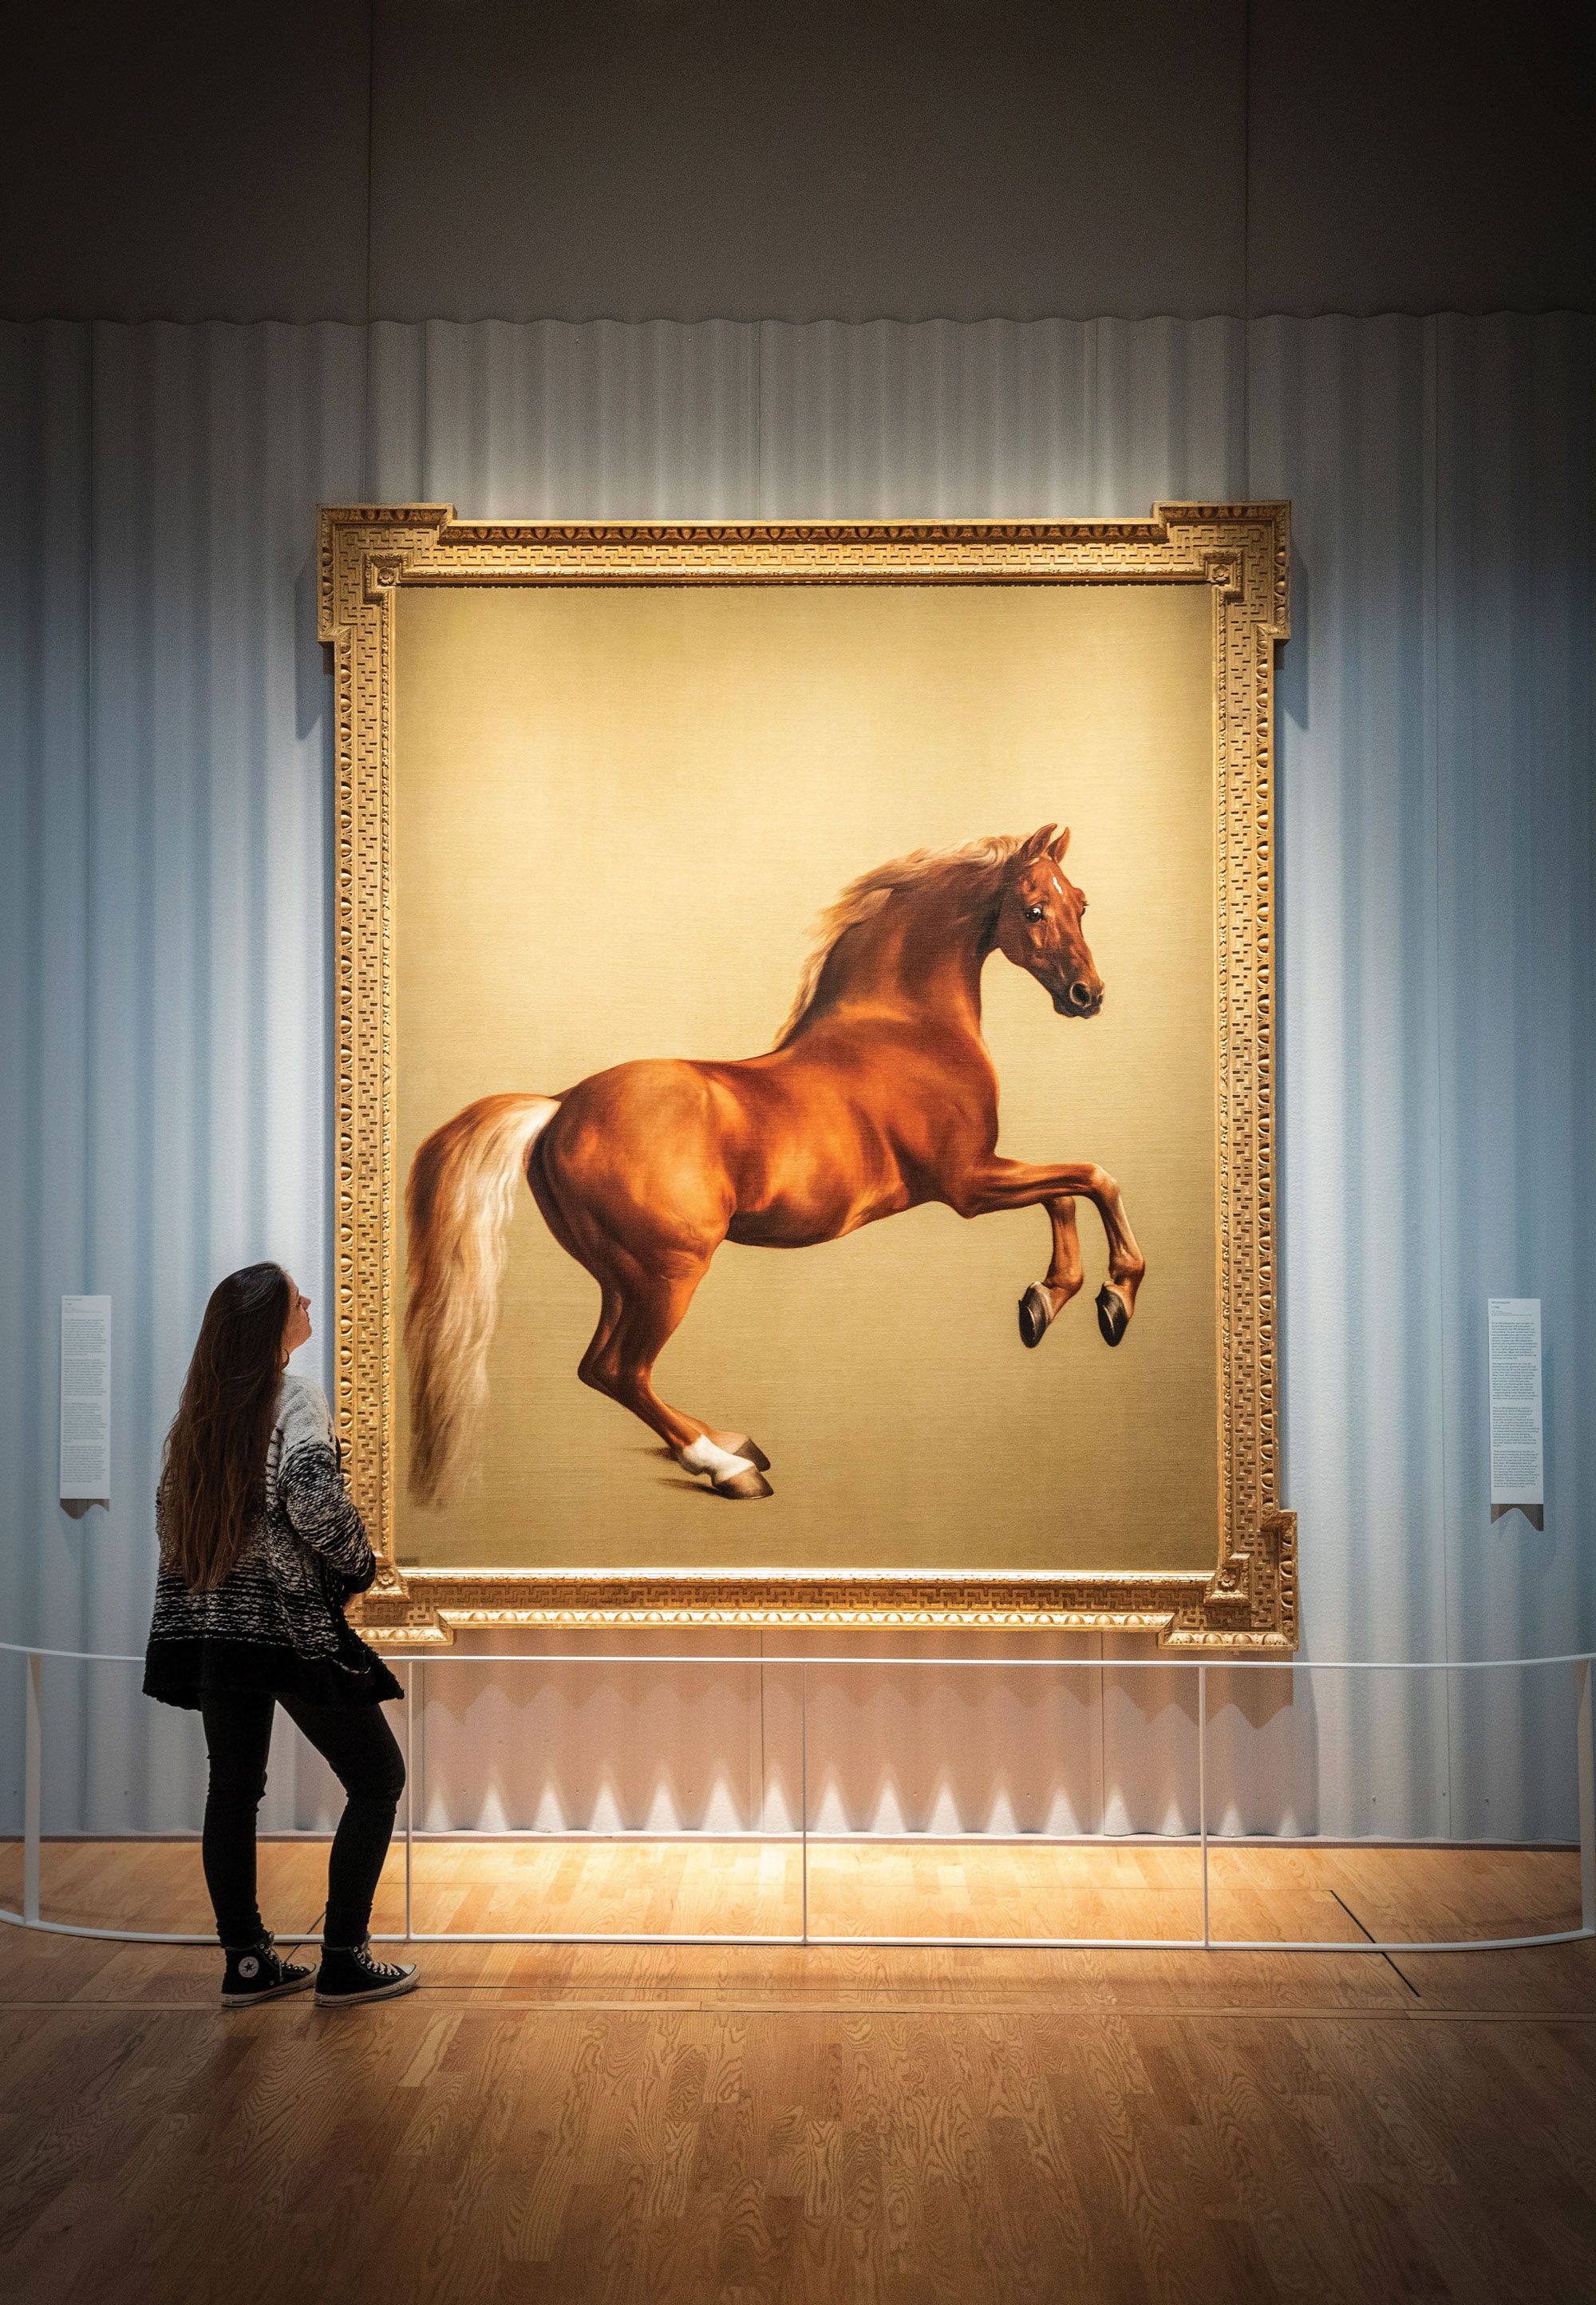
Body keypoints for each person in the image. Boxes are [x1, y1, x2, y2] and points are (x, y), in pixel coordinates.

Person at [143, 1261, 418, 2009]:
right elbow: (314, 1499)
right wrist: (359, 1565)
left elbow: (170, 1520)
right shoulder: (294, 1396)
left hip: (210, 1629)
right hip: (283, 1626)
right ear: (273, 1323)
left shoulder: (197, 1411)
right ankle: (344, 1959)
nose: (309, 1303)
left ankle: (249, 1964)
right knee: (377, 1777)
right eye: (298, 1297)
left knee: (232, 1790)